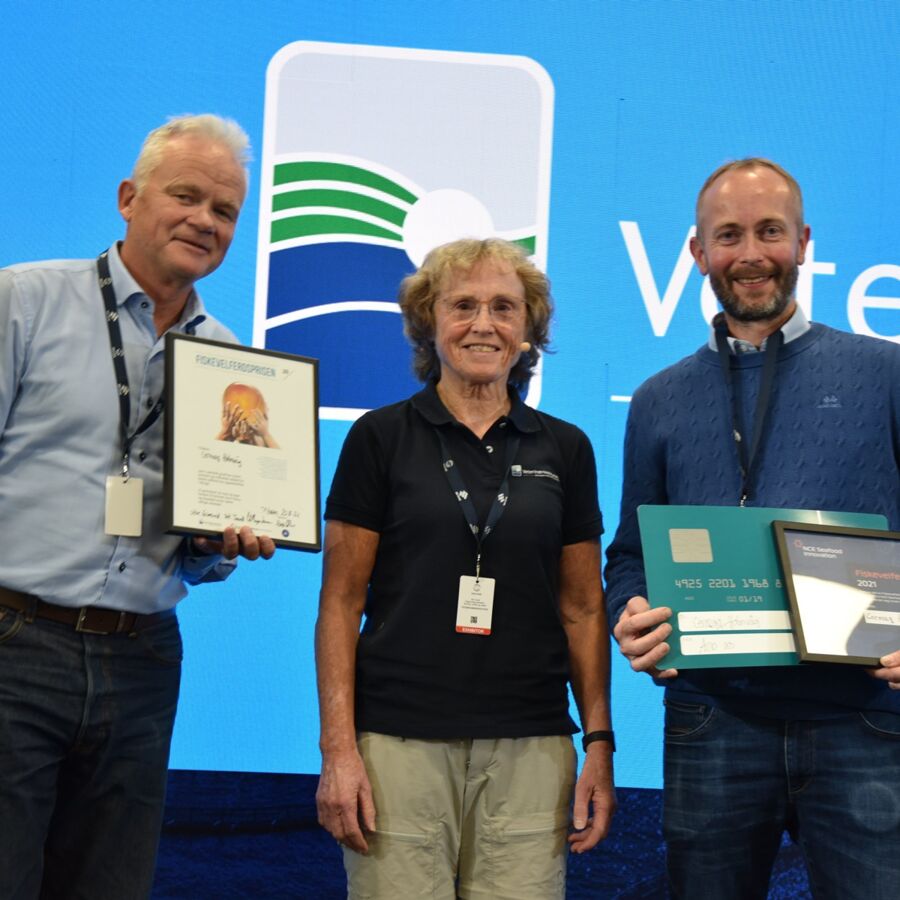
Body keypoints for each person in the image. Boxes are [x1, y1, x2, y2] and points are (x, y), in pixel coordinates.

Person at [605, 158, 900, 899]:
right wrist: (630, 613)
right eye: (727, 235)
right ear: (698, 253)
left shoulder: (884, 374)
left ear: (803, 242)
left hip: (862, 721)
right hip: (714, 721)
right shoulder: (657, 400)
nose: (750, 254)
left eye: (769, 231)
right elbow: (631, 556)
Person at [0, 114, 276, 900]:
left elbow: (203, 552)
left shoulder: (231, 364)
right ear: (129, 197)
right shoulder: (23, 302)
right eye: (185, 195)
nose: (204, 220)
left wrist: (224, 541)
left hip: (142, 658)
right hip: (15, 642)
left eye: (224, 211)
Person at [315, 238, 615, 899]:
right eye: (463, 305)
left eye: (505, 307)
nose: (484, 323)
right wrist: (338, 750)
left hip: (531, 749)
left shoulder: (566, 448)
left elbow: (584, 608)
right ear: (430, 321)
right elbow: (340, 601)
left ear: (528, 328)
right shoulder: (378, 437)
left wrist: (600, 742)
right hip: (396, 747)